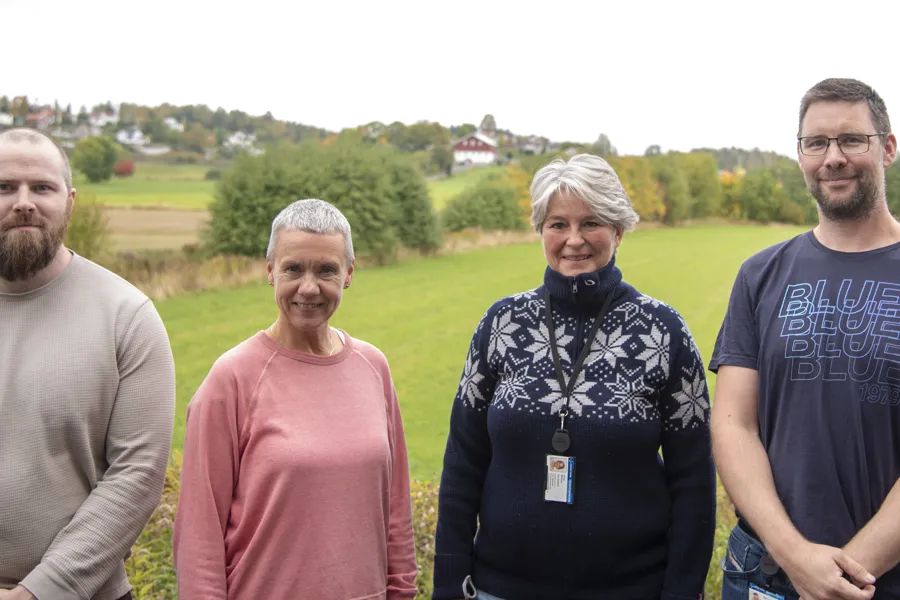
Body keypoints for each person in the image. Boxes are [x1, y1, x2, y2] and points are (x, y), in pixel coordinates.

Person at [433, 154, 716, 600]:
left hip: (630, 590)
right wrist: (449, 583)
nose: (574, 240)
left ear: (619, 230)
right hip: (499, 589)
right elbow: (463, 464)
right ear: (541, 231)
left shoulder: (663, 330)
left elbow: (694, 480)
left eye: (591, 223)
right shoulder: (502, 323)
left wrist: (682, 591)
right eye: (558, 224)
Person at [710, 77, 900, 600]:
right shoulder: (760, 275)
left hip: (881, 578)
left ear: (887, 147)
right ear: (800, 155)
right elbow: (733, 425)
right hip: (765, 571)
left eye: (851, 140)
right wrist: (794, 556)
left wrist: (843, 573)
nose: (832, 157)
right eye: (816, 143)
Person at [173, 198, 417, 599]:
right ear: (270, 271)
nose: (309, 287)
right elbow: (199, 533)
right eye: (293, 268)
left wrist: (402, 592)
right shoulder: (232, 378)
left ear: (349, 274)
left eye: (326, 270)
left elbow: (396, 506)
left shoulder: (373, 367)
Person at [0, 127, 176, 600]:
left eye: (41, 187)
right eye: (4, 187)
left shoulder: (126, 316)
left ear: (70, 200)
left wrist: (42, 591)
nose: (23, 202)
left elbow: (137, 474)